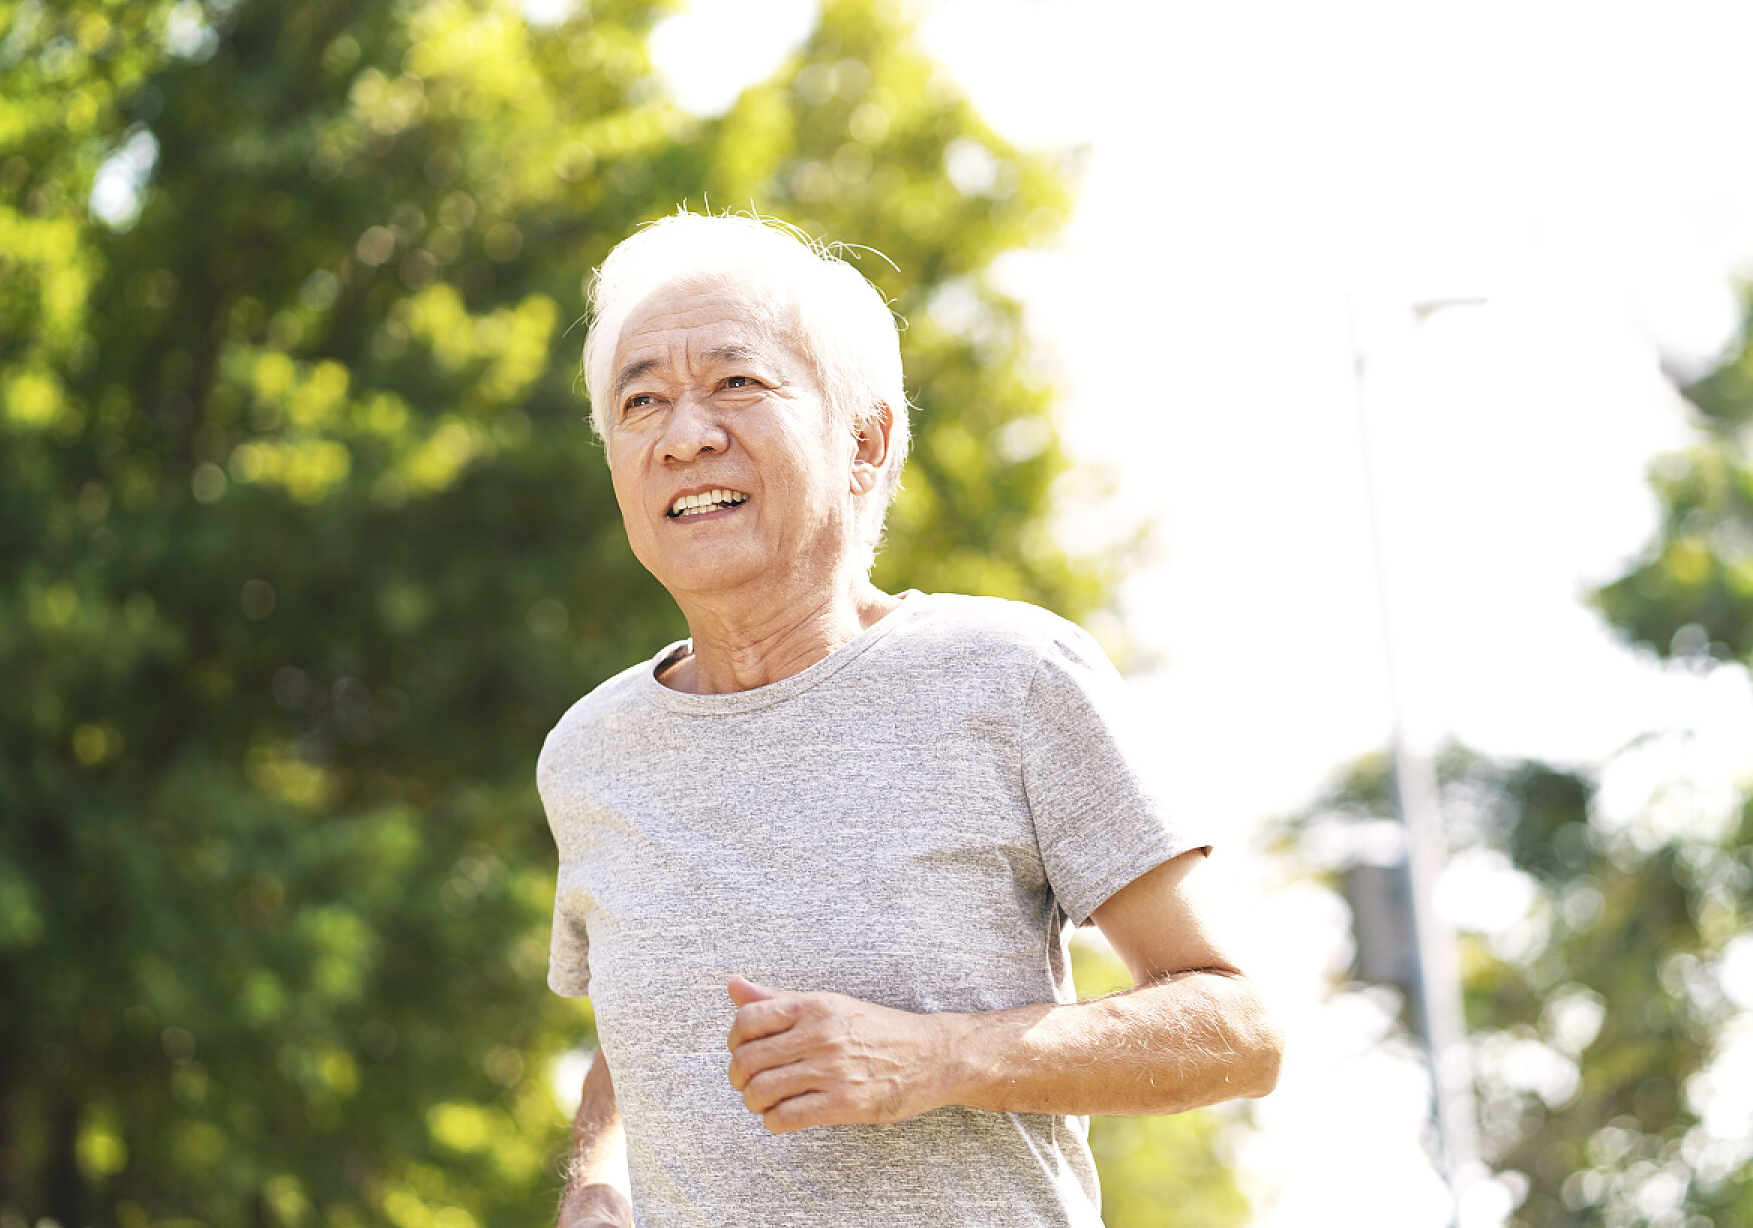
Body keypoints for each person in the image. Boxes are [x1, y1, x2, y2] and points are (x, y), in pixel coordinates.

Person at [540, 213, 1282, 1228]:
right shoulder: (588, 756)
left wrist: (939, 1057)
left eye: (737, 382)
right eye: (641, 400)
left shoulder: (1013, 680)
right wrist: (596, 1184)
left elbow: (1240, 1026)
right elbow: (641, 1047)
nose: (685, 433)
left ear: (865, 438)